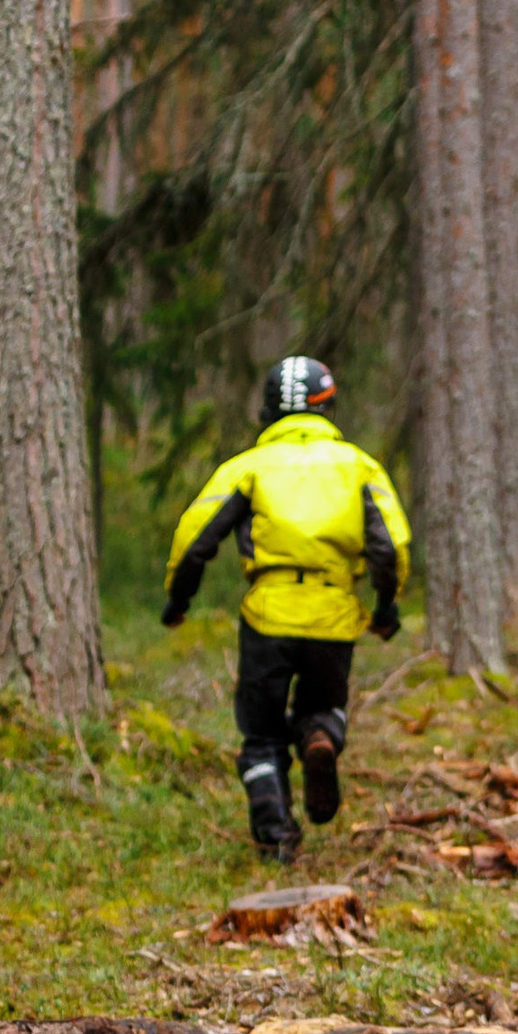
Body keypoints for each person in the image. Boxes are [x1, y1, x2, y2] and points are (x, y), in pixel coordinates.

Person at [162, 357, 410, 862]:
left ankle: (276, 835)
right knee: (324, 706)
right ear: (329, 406)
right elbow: (391, 544)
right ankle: (320, 735)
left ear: (268, 410)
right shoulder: (359, 466)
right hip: (333, 612)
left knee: (261, 732)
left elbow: (195, 537)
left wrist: (179, 598)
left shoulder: (248, 467)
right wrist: (386, 606)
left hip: (267, 616)